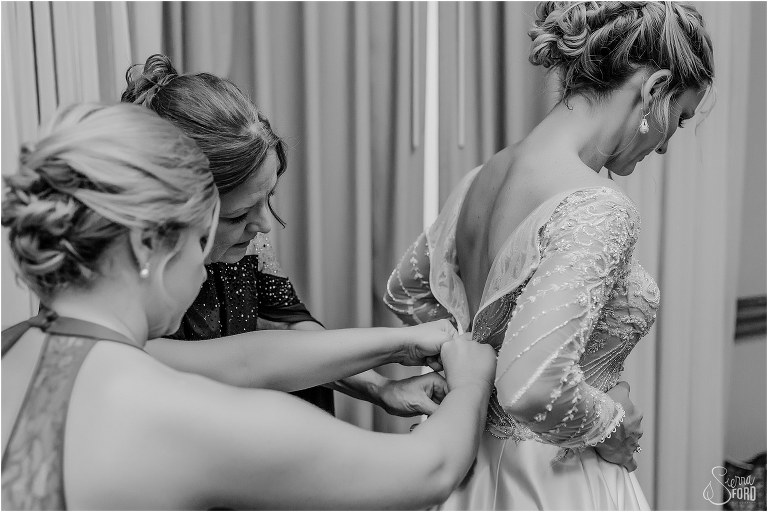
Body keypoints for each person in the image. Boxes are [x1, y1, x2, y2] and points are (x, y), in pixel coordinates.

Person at [1, 102, 498, 510]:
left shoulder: (15, 348)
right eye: (200, 240)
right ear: (146, 245)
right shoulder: (179, 412)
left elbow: (248, 357)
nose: (206, 270)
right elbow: (427, 471)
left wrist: (397, 349)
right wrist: (472, 384)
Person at [385, 1, 714, 509]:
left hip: (471, 473)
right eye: (680, 117)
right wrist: (613, 423)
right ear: (655, 89)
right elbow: (531, 387)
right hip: (553, 482)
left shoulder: (481, 179)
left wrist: (471, 374)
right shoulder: (596, 205)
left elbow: (405, 290)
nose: (668, 143)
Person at [122, 54, 447, 417]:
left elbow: (289, 326)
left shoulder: (248, 243)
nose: (264, 225)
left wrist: (381, 387)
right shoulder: (125, 288)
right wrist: (401, 345)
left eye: (269, 197)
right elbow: (247, 362)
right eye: (238, 214)